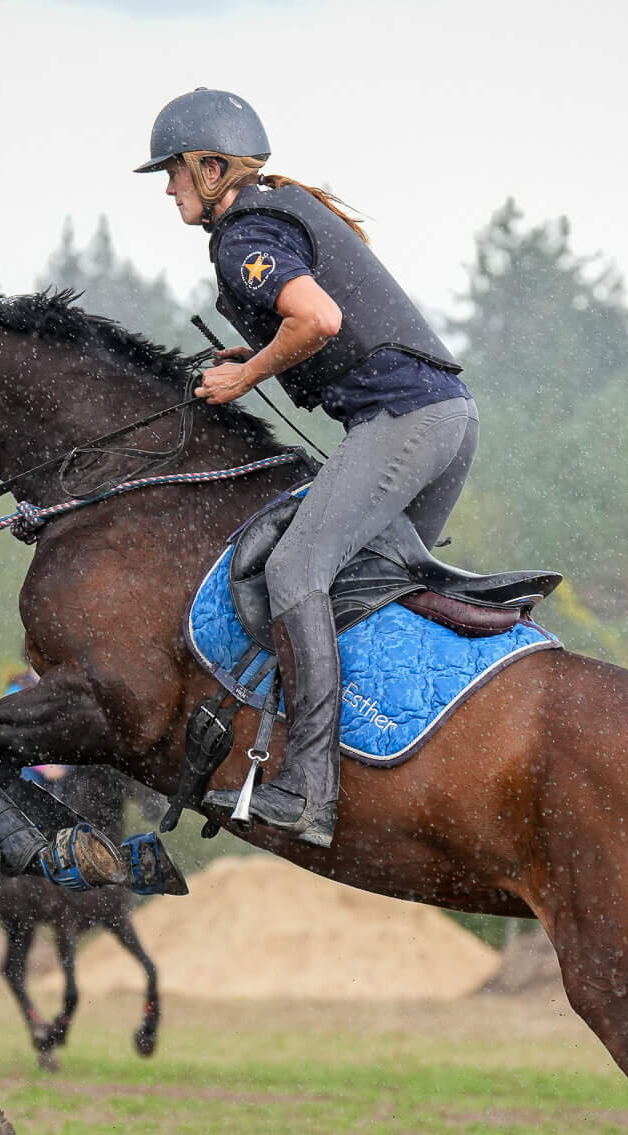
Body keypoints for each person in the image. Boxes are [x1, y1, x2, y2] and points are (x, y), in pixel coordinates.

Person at [136, 88, 477, 849]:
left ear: (211, 166)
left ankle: (309, 788)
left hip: (403, 422)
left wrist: (245, 376)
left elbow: (318, 319)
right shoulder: (277, 206)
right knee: (361, 592)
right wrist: (254, 357)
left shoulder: (243, 232)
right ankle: (386, 767)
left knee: (295, 573)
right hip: (448, 420)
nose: (168, 190)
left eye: (175, 173)